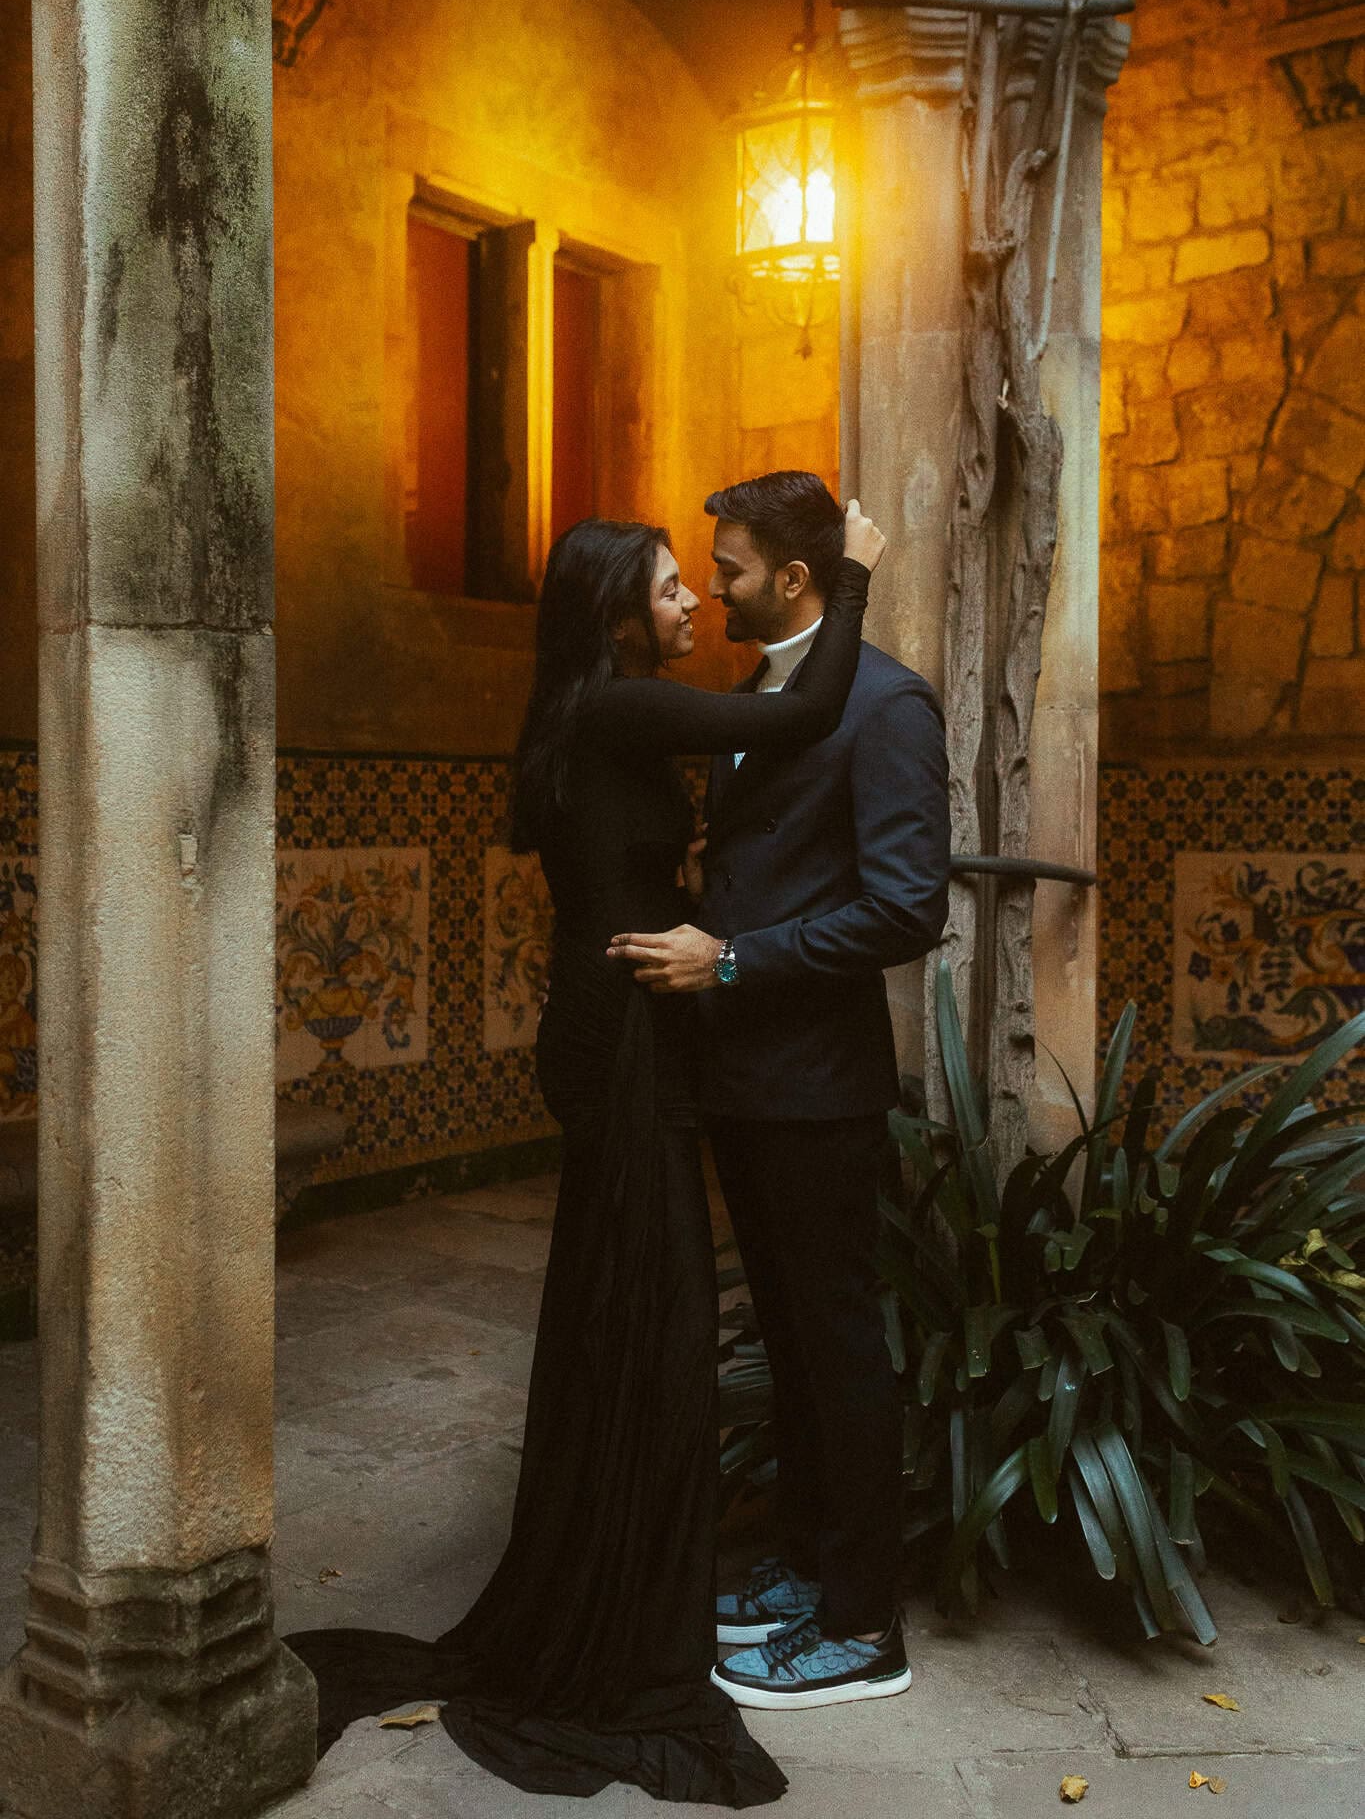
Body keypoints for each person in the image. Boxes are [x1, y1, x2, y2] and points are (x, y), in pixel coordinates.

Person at [286, 501, 884, 1805]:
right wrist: (850, 580)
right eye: (673, 590)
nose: (691, 607)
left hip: (615, 1017)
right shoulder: (615, 706)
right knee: (647, 1299)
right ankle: (617, 1586)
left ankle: (618, 1546)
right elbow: (794, 715)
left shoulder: (597, 703)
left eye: (695, 584)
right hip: (618, 1028)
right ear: (619, 609)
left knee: (641, 1299)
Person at [607, 470, 950, 1712]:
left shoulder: (887, 701)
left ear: (796, 580)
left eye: (734, 568)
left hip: (817, 1086)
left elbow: (910, 905)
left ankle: (865, 1628)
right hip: (745, 1079)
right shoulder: (767, 693)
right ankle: (807, 1571)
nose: (715, 586)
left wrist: (733, 954)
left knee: (842, 1350)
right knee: (797, 1352)